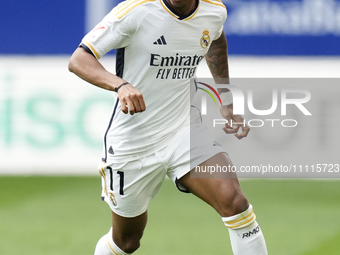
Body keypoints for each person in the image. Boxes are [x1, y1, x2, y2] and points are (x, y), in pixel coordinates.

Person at [68, 0, 268, 254]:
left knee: (235, 202)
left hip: (183, 129)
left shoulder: (214, 11)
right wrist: (119, 85)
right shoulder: (135, 11)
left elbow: (215, 40)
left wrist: (226, 99)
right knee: (127, 241)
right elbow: (78, 59)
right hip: (133, 140)